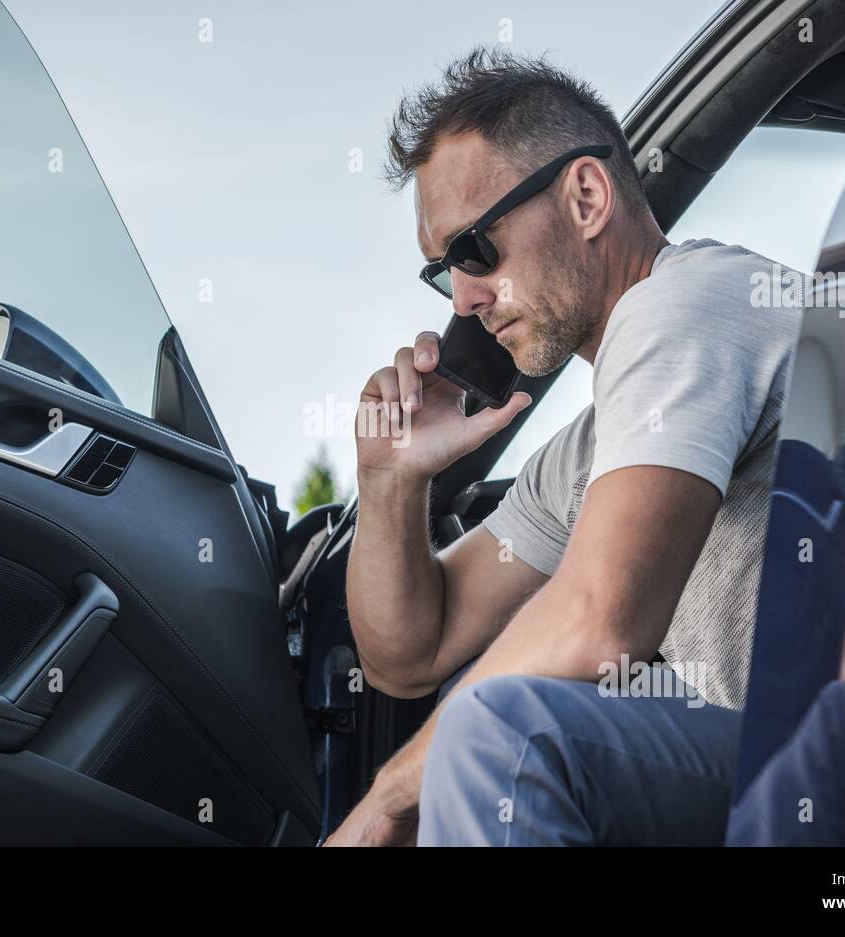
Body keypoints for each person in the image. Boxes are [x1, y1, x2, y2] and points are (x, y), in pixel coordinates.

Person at [325, 47, 801, 846]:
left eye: (474, 250)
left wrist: (387, 794)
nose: (467, 299)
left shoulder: (687, 303)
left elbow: (597, 624)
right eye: (444, 273)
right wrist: (391, 481)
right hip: (770, 767)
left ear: (585, 196)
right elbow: (409, 653)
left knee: (495, 733)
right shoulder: (584, 459)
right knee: (477, 713)